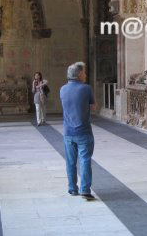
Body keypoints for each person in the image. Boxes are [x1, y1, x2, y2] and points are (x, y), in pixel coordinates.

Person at [59, 62, 96, 200]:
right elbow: (93, 107)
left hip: (68, 132)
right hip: (84, 131)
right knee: (85, 160)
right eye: (84, 72)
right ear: (79, 74)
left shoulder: (62, 89)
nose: (85, 74)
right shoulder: (86, 89)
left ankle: (72, 188)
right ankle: (85, 190)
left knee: (70, 162)